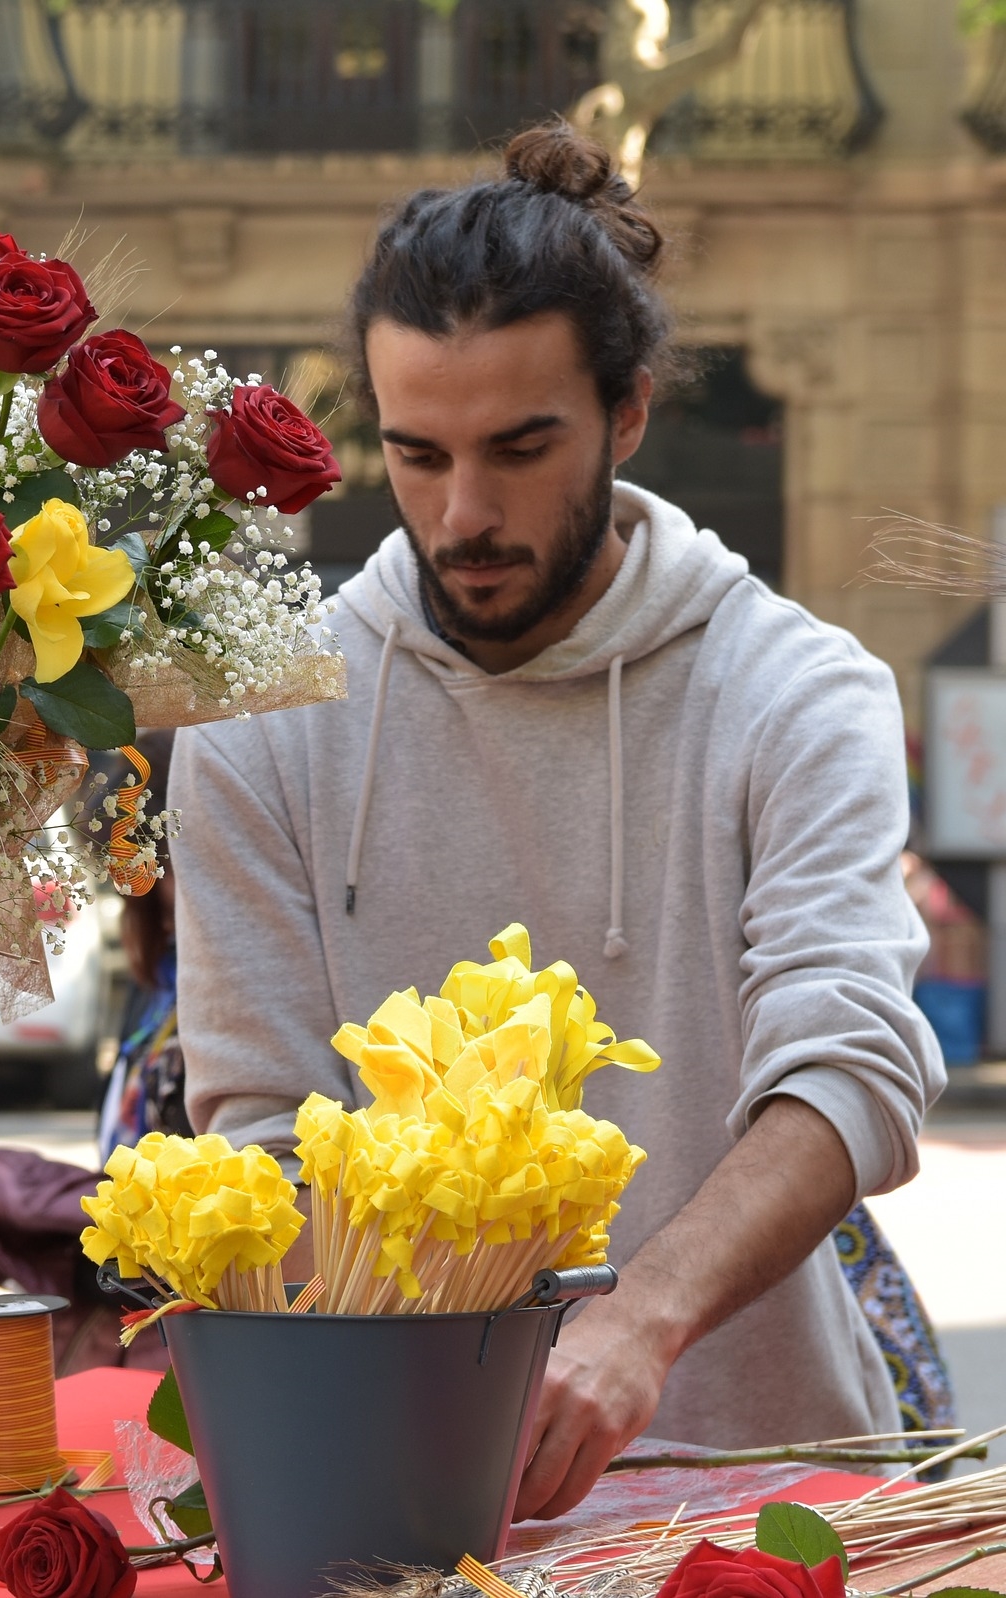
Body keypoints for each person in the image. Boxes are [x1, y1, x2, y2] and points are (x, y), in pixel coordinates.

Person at [169, 121, 945, 1521]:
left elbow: (850, 1075)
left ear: (628, 412)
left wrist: (637, 1321)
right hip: (391, 1503)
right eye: (415, 454)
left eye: (522, 449)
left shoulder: (795, 688)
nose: (463, 513)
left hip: (764, 1493)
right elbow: (259, 1134)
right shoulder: (261, 726)